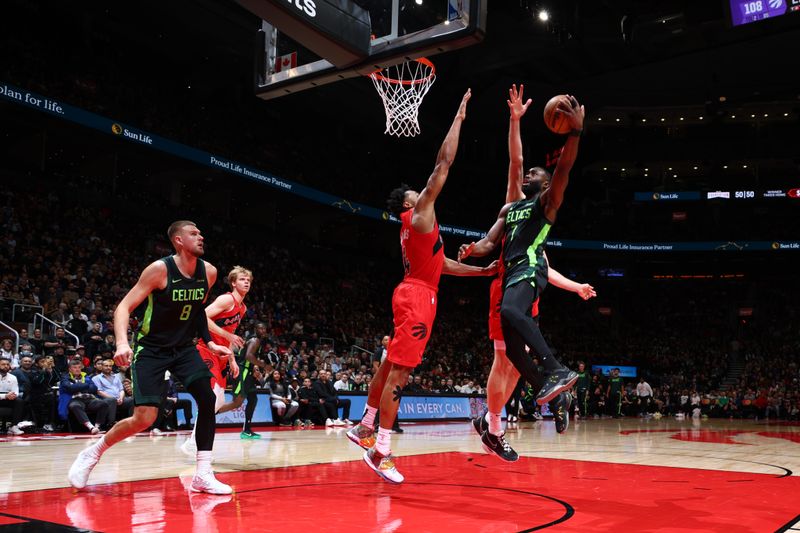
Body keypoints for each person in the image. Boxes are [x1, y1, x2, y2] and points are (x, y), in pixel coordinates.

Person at [347, 90, 498, 483]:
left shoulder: (417, 232)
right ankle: (381, 449)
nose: (426, 190)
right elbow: (443, 163)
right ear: (411, 202)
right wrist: (460, 118)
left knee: (391, 365)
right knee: (400, 374)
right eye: (420, 192)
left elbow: (443, 265)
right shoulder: (418, 215)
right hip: (417, 297)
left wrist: (482, 273)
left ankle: (365, 426)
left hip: (415, 290)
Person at [463, 86, 594, 460]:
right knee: (514, 363)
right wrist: (514, 120)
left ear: (545, 184)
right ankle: (553, 396)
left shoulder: (544, 205)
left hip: (524, 281)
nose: (526, 175)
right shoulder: (511, 209)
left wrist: (575, 132)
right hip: (508, 282)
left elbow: (562, 168)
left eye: (536, 173)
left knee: (510, 337)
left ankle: (549, 376)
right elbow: (515, 162)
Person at [67, 220, 234, 494]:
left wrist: (209, 343)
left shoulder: (210, 272)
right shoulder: (159, 270)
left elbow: (197, 312)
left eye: (201, 232)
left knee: (208, 398)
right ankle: (92, 453)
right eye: (193, 233)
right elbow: (124, 306)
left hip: (183, 348)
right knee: (145, 418)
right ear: (178, 240)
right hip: (152, 349)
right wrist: (122, 342)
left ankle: (203, 473)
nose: (201, 236)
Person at [181, 266, 251, 454]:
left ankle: (192, 442)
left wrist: (232, 360)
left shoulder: (242, 308)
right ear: (234, 282)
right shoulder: (226, 299)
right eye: (243, 279)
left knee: (218, 402)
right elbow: (201, 316)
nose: (247, 282)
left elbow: (232, 334)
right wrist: (225, 336)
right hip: (206, 348)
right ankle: (194, 444)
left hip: (222, 355)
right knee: (211, 397)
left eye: (249, 280)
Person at [216, 321, 268, 438]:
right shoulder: (255, 340)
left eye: (265, 329)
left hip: (248, 373)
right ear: (255, 329)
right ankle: (209, 412)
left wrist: (254, 367)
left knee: (253, 398)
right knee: (237, 403)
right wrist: (264, 365)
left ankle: (247, 430)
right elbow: (248, 356)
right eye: (261, 329)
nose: (263, 331)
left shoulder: (254, 340)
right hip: (243, 373)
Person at [0, 358, 25, 435]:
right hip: (3, 397)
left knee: (19, 401)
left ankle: (13, 426)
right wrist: (5, 396)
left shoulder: (12, 377)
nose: (6, 366)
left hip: (8, 399)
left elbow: (16, 392)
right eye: (3, 364)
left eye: (7, 364)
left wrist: (12, 396)